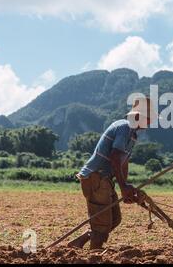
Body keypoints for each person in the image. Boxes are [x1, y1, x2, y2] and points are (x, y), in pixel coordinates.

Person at [68, 96, 158, 249]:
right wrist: (123, 187)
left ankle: (80, 242)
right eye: (148, 119)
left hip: (105, 179)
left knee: (115, 219)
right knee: (102, 224)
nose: (150, 123)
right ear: (137, 116)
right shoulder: (125, 128)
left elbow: (123, 162)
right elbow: (115, 157)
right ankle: (94, 255)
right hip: (96, 176)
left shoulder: (132, 135)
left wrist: (127, 188)